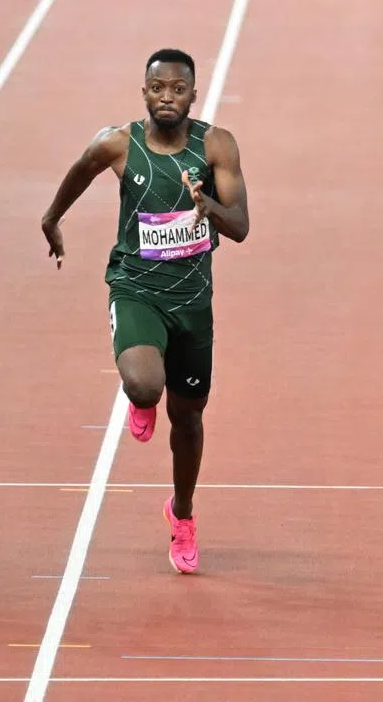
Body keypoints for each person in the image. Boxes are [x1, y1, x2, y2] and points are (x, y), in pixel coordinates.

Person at [41, 48, 249, 574]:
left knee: (189, 420)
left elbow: (241, 226)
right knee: (144, 385)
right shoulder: (119, 143)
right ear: (144, 93)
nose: (167, 98)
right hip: (136, 287)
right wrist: (51, 219)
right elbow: (80, 171)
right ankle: (142, 395)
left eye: (178, 89)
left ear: (193, 95)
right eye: (158, 89)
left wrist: (209, 208)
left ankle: (182, 514)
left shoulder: (216, 146)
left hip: (192, 303)